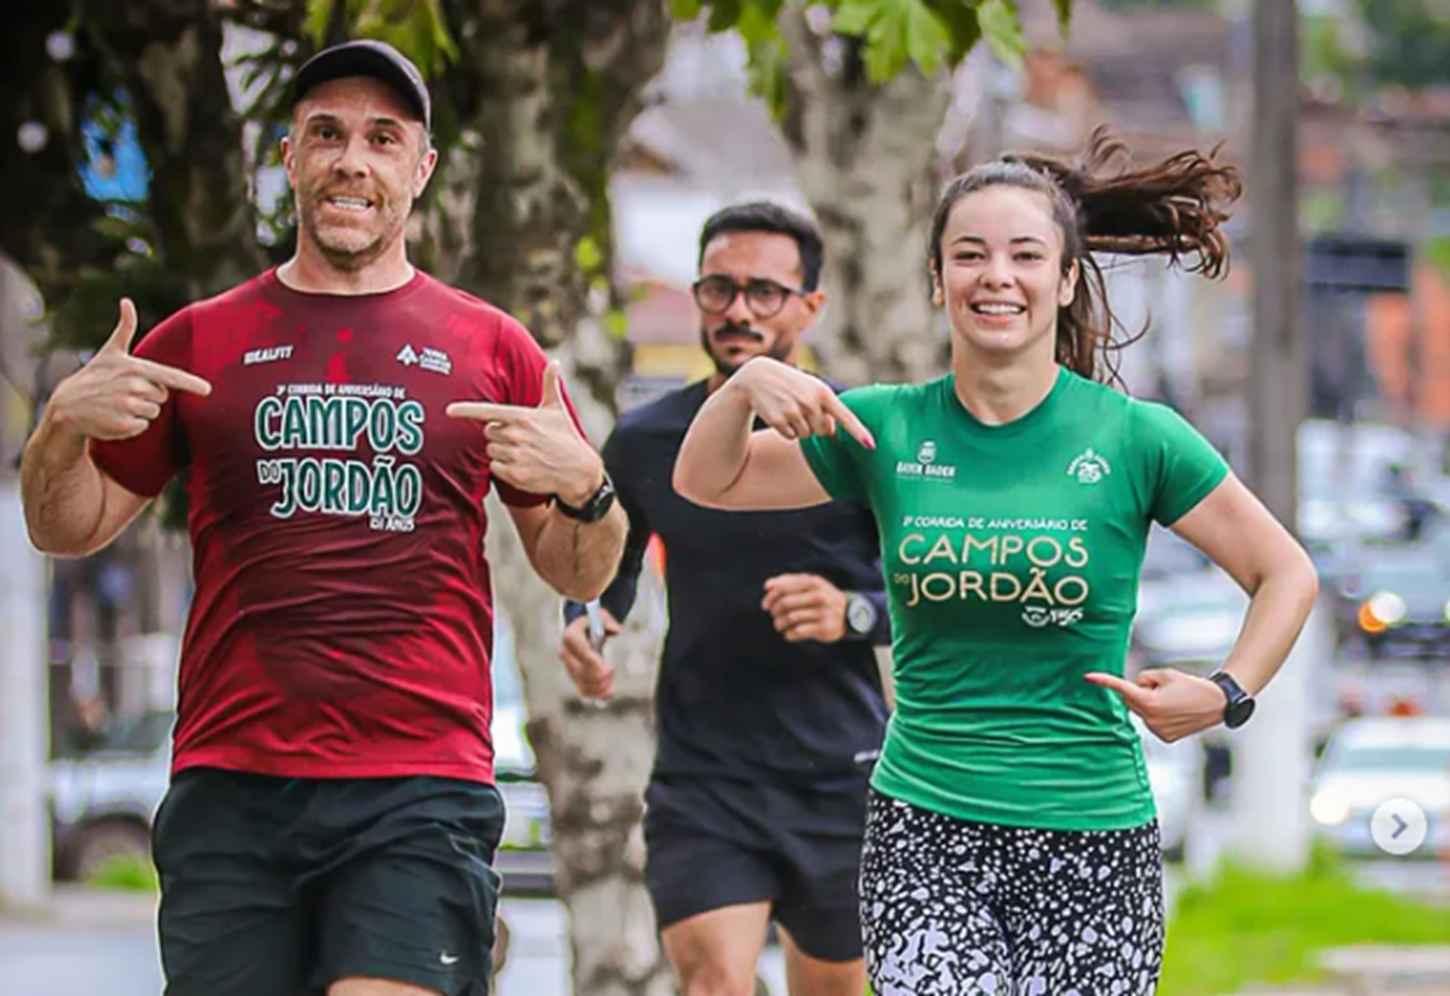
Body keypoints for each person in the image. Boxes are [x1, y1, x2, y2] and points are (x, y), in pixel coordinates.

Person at [19, 39, 625, 996]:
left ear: (419, 171)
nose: (354, 159)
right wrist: (58, 429)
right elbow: (69, 527)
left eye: (384, 139)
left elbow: (578, 570)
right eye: (328, 134)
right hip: (232, 779)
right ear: (289, 156)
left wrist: (590, 488)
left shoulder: (495, 350)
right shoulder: (199, 341)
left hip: (418, 785)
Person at [672, 131, 1321, 995]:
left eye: (1025, 255)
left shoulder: (1137, 439)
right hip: (927, 830)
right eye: (969, 255)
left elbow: (1286, 574)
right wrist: (748, 381)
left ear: (1062, 280)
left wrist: (1226, 692)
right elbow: (709, 481)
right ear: (939, 281)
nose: (997, 276)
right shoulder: (885, 429)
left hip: (1094, 833)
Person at [558, 201, 891, 996]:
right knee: (712, 982)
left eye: (765, 292)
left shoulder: (863, 435)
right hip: (706, 774)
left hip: (839, 773)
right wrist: (586, 625)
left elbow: (929, 592)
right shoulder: (647, 440)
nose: (738, 309)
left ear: (812, 305)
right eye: (718, 288)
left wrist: (853, 612)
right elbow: (614, 566)